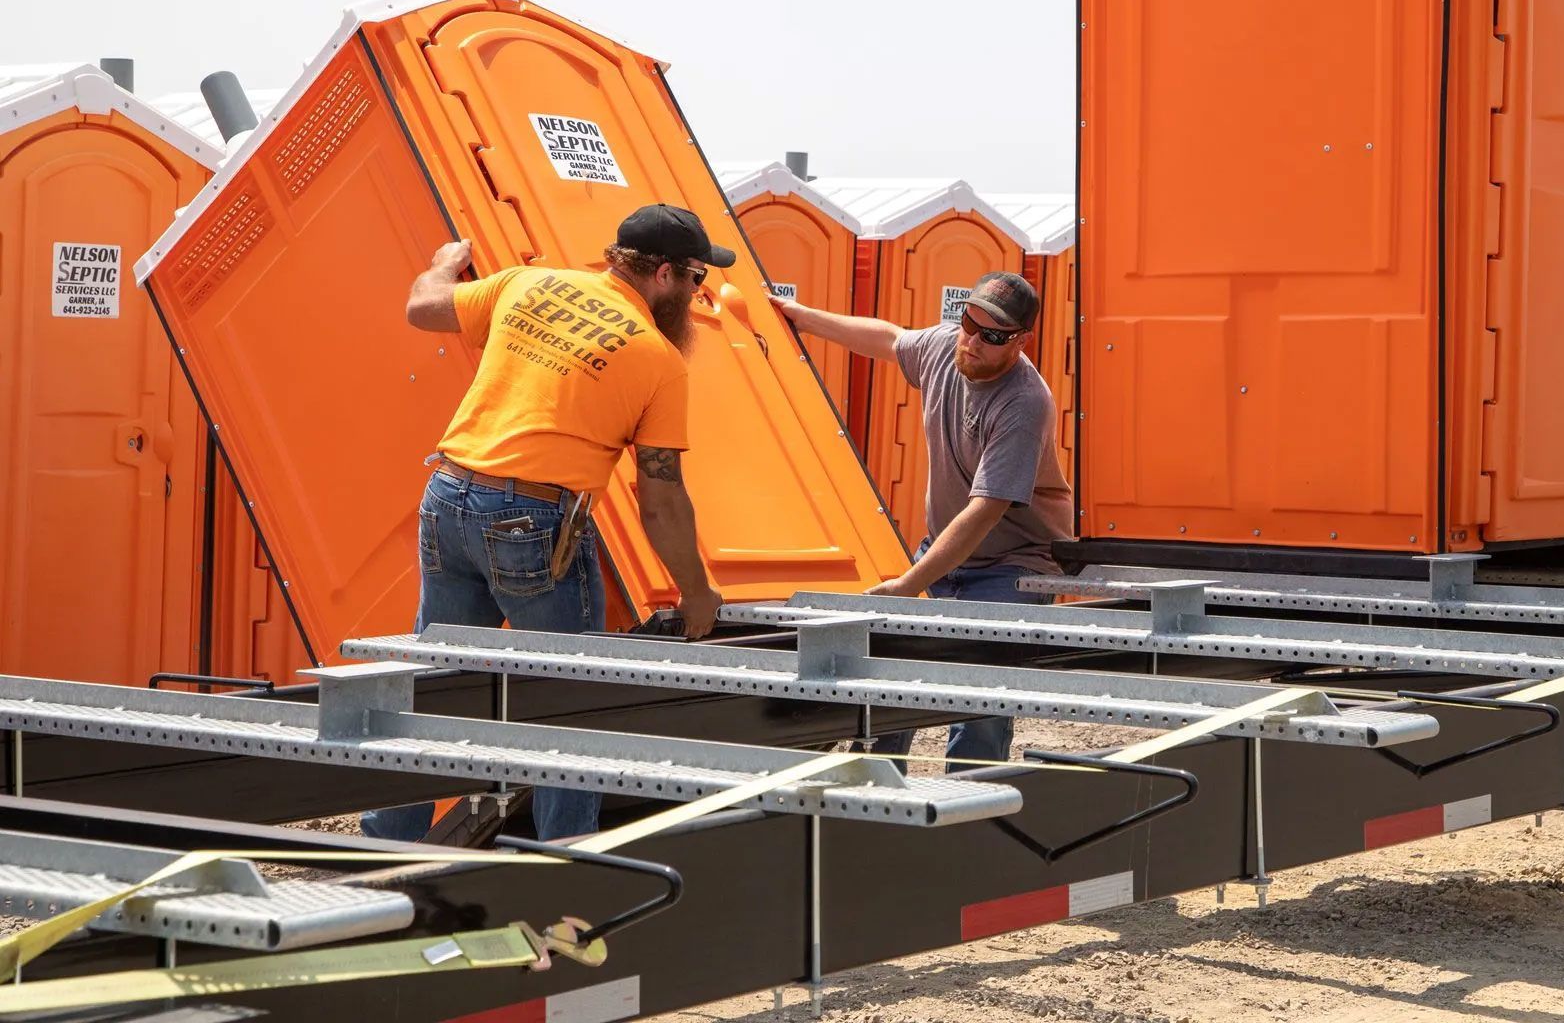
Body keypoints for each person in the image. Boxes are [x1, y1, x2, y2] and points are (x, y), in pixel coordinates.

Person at [363, 203, 733, 842]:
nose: (699, 296)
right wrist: (695, 592)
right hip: (532, 522)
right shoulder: (657, 359)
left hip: (448, 496)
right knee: (567, 705)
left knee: (433, 686)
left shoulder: (526, 283)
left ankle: (386, 843)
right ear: (667, 274)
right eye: (698, 279)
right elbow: (661, 498)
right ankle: (564, 865)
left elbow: (423, 307)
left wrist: (442, 264)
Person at [772, 271, 1072, 765]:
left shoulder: (1025, 401)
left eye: (992, 335)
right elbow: (888, 338)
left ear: (1021, 341)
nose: (973, 340)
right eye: (968, 322)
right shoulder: (944, 348)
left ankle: (973, 802)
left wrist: (908, 583)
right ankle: (878, 787)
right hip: (945, 551)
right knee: (890, 680)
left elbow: (983, 512)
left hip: (1014, 566)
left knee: (980, 697)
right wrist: (803, 319)